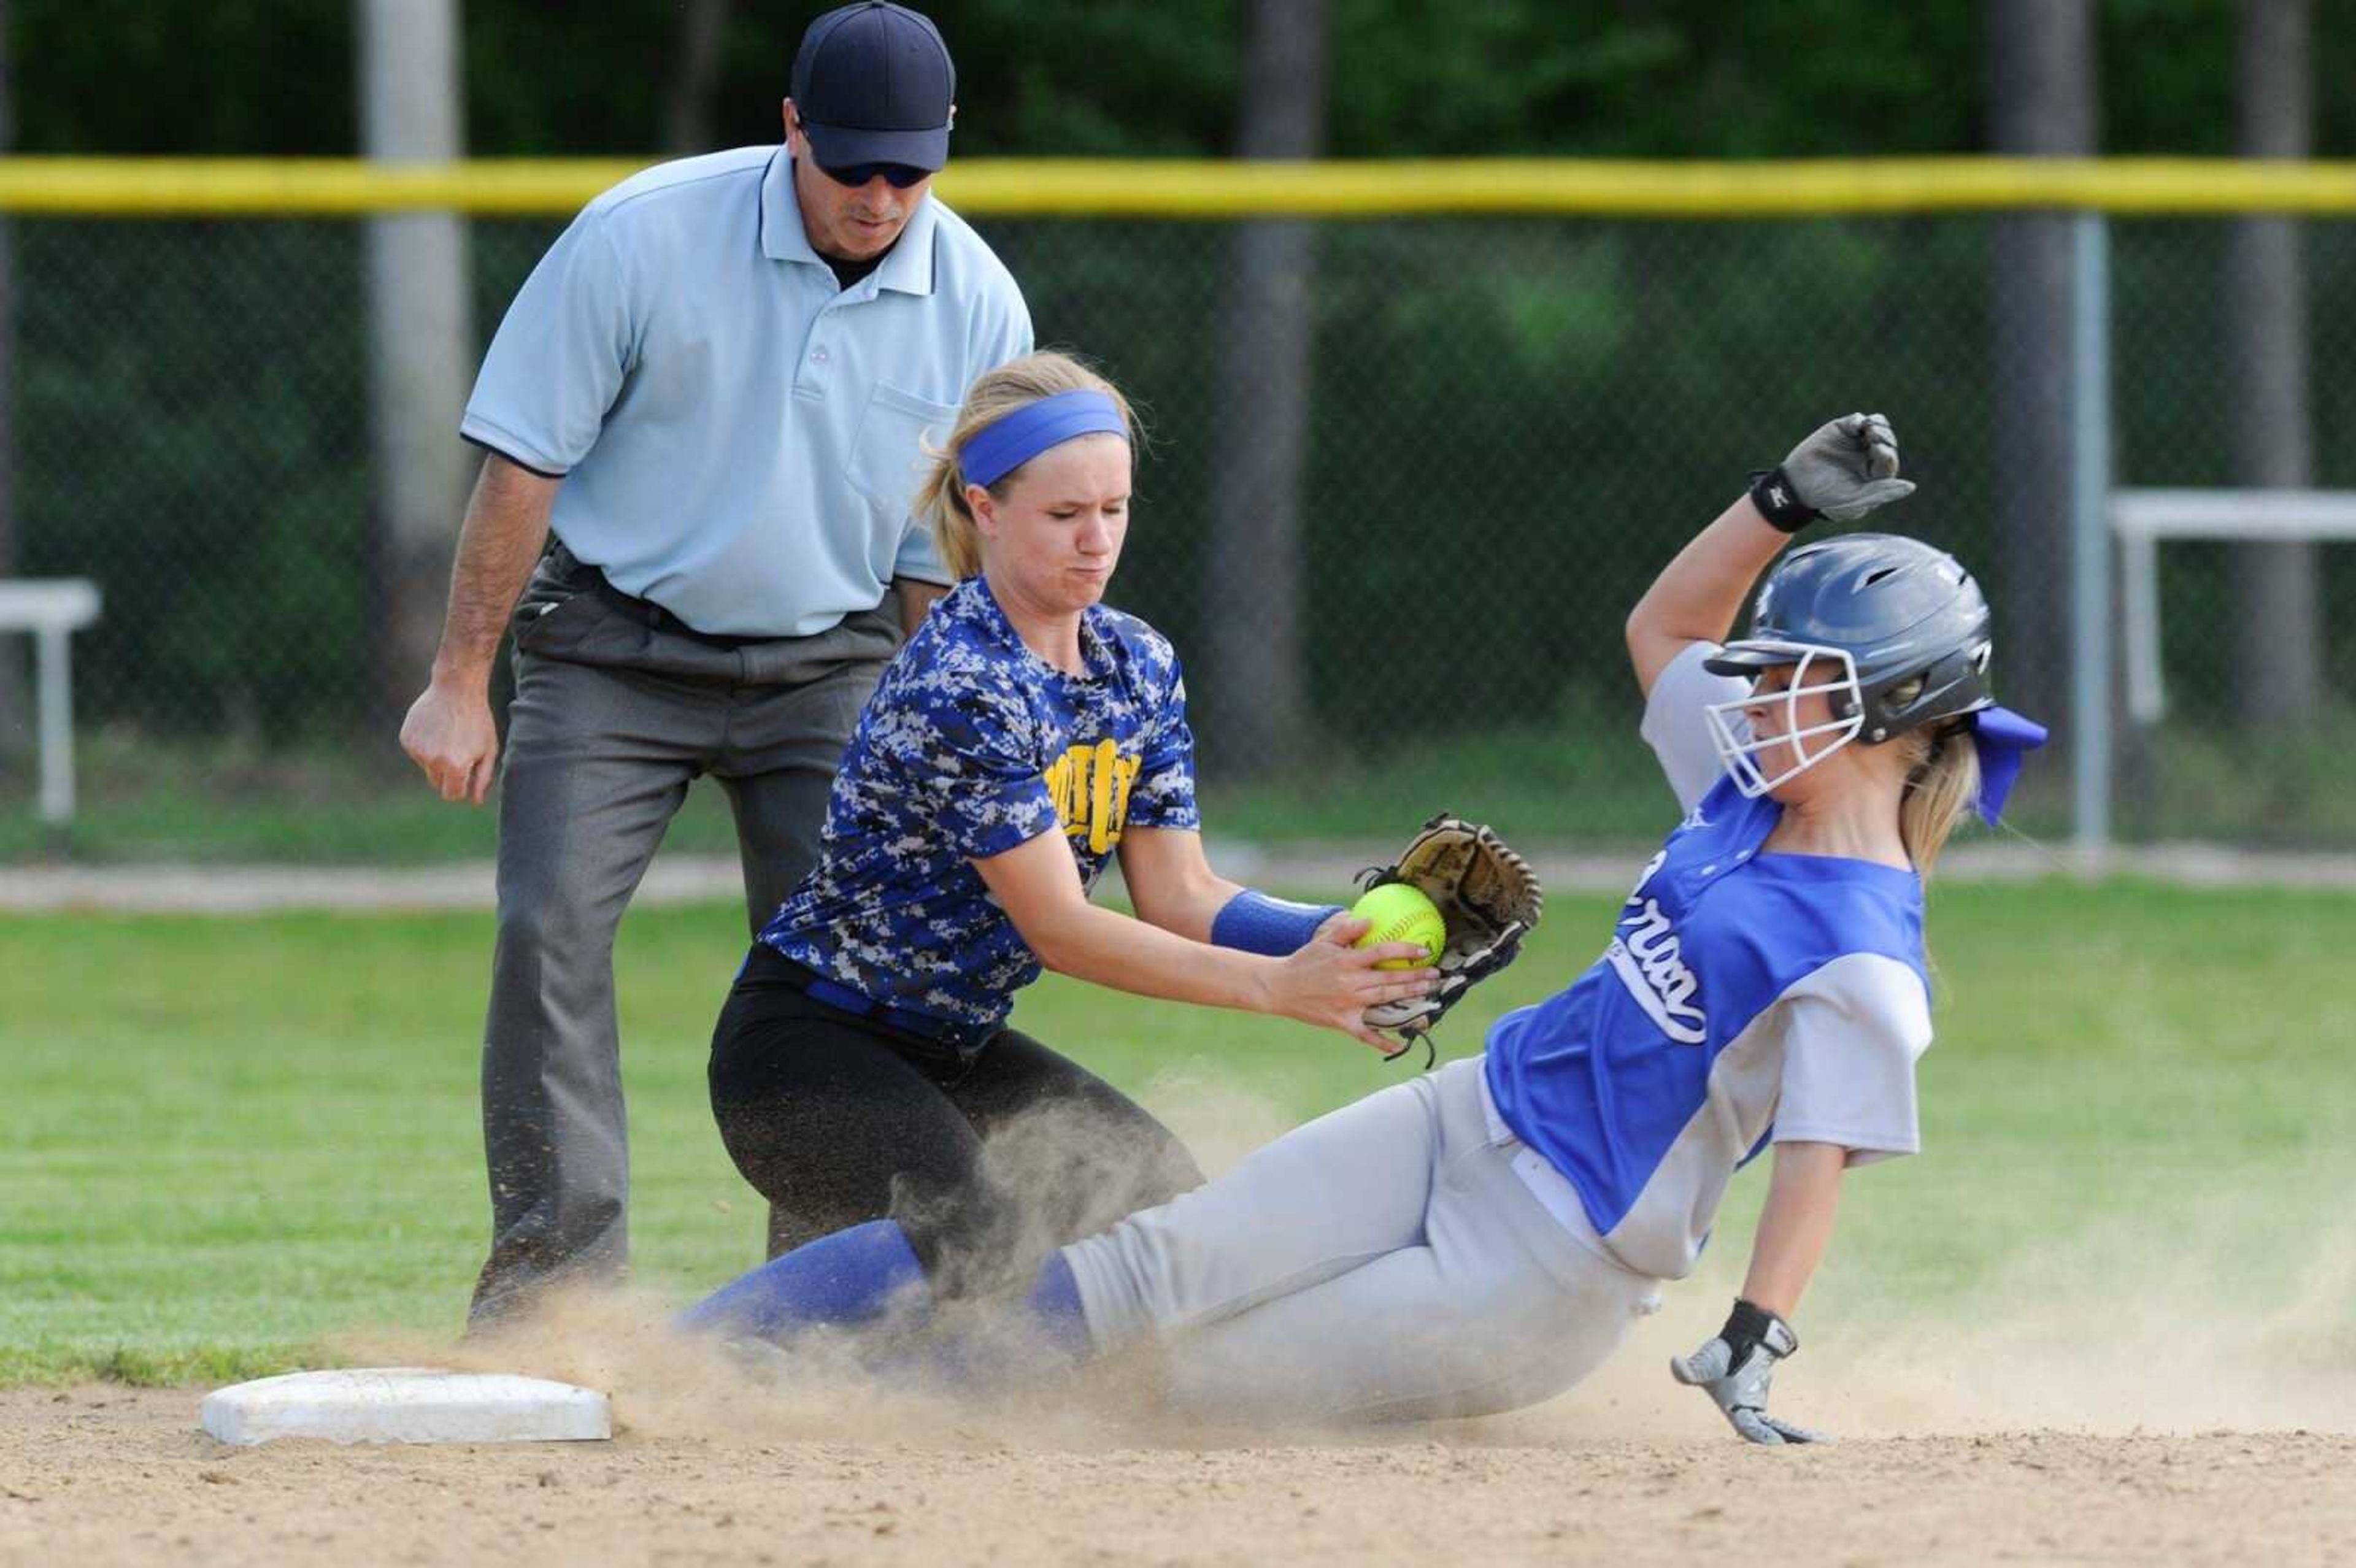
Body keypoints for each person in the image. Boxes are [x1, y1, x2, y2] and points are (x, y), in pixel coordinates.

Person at [677, 413, 2051, 1441]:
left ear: (1894, 706)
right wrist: (1775, 505)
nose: (1753, 698)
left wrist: (1758, 1333)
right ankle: (669, 1366)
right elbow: (1665, 625)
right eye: (1762, 677)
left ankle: (820, 1424)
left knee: (1168, 1385)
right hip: (1458, 1122)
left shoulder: (1866, 954)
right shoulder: (1749, 785)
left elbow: (1819, 1155)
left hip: (1544, 1261)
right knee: (1123, 1282)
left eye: (1797, 682)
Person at [396, 1, 1034, 1327]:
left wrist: (969, 751)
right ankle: (553, 1294)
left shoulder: (974, 296)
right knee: (549, 928)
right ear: (790, 126)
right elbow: (524, 465)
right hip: (613, 648)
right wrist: (461, 681)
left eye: (907, 169)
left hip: (832, 661)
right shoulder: (643, 238)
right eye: (849, 162)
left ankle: (817, 1302)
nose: (878, 195)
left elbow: (942, 558)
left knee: (847, 979)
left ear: (945, 147)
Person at [703, 348, 1447, 1302]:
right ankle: (680, 1367)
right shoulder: (964, 682)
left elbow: (1183, 896)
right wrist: (1282, 989)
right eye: (1064, 514)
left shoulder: (1136, 663)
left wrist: (1343, 943)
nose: (1096, 539)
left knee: (1167, 1224)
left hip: (949, 1048)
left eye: (1114, 509)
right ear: (984, 507)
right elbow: (1056, 928)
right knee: (985, 1261)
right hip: (806, 1054)